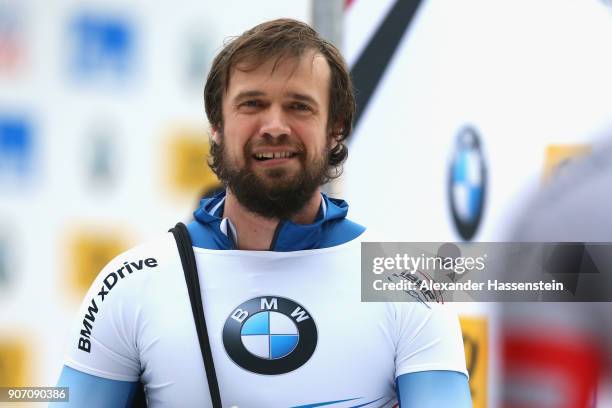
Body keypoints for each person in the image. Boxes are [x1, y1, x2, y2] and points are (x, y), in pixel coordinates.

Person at [53, 19, 471, 407]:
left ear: (336, 129)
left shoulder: (403, 286)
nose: (274, 125)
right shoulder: (133, 283)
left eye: (299, 106)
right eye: (252, 104)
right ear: (217, 124)